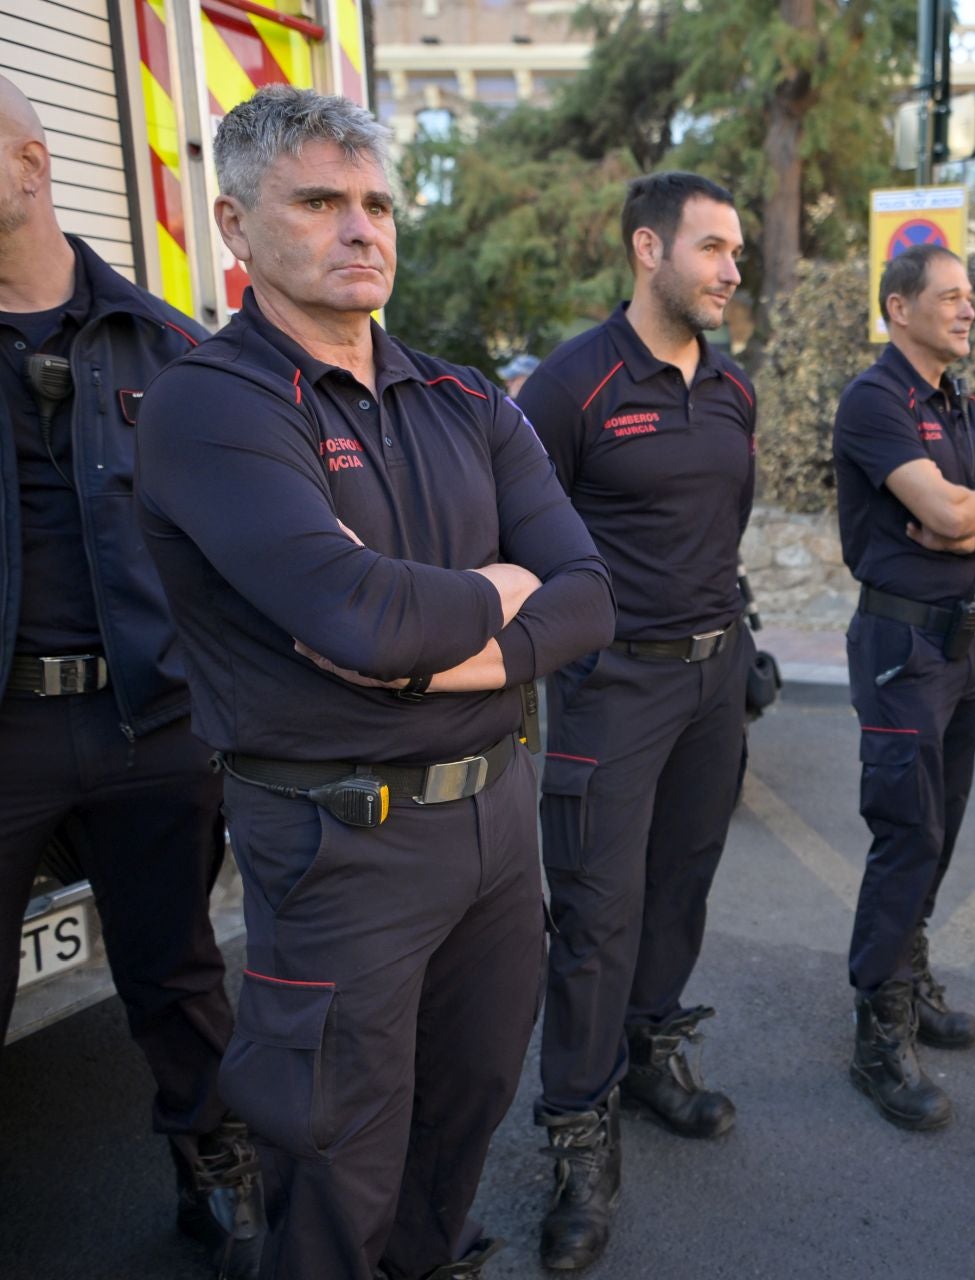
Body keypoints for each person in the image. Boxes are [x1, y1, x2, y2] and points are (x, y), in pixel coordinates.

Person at [136, 87, 615, 1279]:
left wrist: (428, 650)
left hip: (495, 821)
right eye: (319, 202)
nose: (361, 228)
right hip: (341, 841)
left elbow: (588, 594)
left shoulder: (464, 397)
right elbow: (358, 615)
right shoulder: (211, 402)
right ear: (236, 226)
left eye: (378, 204)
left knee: (466, 1106)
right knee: (336, 1152)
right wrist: (501, 587)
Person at [0, 74, 263, 1276]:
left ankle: (215, 1165)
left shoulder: (169, 346)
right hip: (7, 727)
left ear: (31, 164)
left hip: (148, 717)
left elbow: (240, 544)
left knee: (177, 971)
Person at [512, 171, 757, 1270]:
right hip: (612, 688)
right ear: (648, 249)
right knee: (596, 912)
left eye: (737, 251)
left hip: (715, 678)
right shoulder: (571, 385)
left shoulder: (734, 388)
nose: (731, 269)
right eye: (713, 248)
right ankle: (577, 1127)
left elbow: (725, 523)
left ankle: (650, 1051)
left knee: (681, 885)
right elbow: (519, 537)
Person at [831, 243, 975, 1130]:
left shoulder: (962, 404)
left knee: (940, 827)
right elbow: (961, 505)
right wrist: (970, 510)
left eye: (969, 295)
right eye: (950, 296)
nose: (967, 309)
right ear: (899, 308)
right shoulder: (875, 400)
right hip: (900, 648)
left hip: (960, 643)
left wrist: (964, 528)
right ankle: (878, 1032)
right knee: (907, 831)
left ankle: (908, 980)